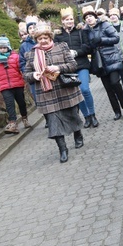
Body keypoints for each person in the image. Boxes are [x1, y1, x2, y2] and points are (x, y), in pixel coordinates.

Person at [23, 22, 84, 163]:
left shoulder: (62, 47)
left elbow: (73, 65)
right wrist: (34, 76)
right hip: (47, 94)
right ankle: (63, 149)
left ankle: (78, 134)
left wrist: (58, 67)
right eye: (40, 39)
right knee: (53, 122)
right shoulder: (30, 54)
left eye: (45, 38)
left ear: (50, 37)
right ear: (36, 40)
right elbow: (26, 74)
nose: (43, 41)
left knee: (73, 115)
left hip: (65, 90)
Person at [82, 4, 123, 120]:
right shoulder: (85, 31)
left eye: (90, 16)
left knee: (115, 83)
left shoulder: (105, 25)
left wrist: (102, 40)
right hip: (99, 62)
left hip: (111, 58)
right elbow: (87, 46)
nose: (89, 18)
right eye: (86, 17)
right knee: (108, 89)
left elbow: (116, 38)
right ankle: (117, 111)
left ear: (95, 17)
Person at [54, 7, 98, 128]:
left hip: (81, 64)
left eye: (71, 19)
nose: (69, 21)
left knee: (85, 89)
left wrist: (76, 52)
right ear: (62, 21)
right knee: (77, 93)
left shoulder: (81, 31)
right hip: (69, 69)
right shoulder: (58, 36)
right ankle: (87, 117)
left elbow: (87, 47)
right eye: (67, 20)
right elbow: (56, 52)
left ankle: (93, 114)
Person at [0, 35, 30, 134]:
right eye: (0, 48)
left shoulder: (15, 56)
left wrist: (27, 76)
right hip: (5, 86)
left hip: (18, 84)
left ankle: (24, 118)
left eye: (4, 47)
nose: (2, 49)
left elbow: (21, 68)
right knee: (9, 105)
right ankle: (13, 124)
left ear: (8, 47)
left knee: (21, 103)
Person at [18, 17, 39, 105]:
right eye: (30, 28)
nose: (32, 30)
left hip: (47, 74)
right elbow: (22, 62)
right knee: (38, 100)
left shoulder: (44, 39)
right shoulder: (24, 46)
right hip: (33, 77)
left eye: (34, 27)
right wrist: (28, 73)